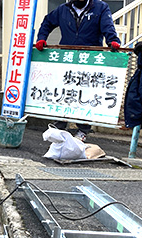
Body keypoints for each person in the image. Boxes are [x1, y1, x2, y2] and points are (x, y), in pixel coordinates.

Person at [35, 0, 121, 142]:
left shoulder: (100, 8)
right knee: (64, 92)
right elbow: (47, 22)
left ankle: (83, 130)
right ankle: (60, 125)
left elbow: (108, 27)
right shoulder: (63, 10)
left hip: (89, 60)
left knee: (85, 94)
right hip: (67, 58)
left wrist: (112, 40)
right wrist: (42, 39)